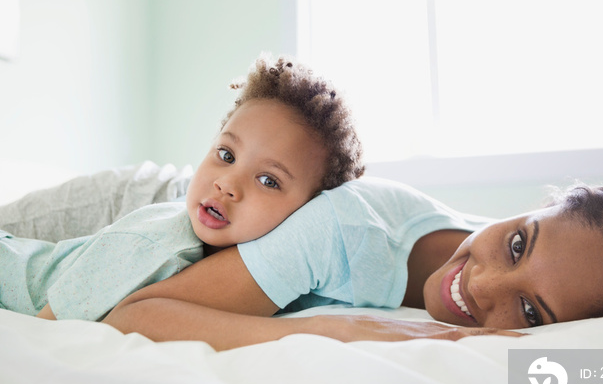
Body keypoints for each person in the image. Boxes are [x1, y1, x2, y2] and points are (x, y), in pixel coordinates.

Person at [100, 177, 603, 350]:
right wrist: (324, 328)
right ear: (533, 210)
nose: (484, 282)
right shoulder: (347, 230)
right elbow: (133, 313)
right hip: (124, 207)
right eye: (518, 244)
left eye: (530, 313)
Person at [0, 54, 364, 321]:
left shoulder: (273, 274)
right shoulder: (156, 242)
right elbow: (48, 327)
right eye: (226, 154)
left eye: (268, 180)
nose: (226, 183)